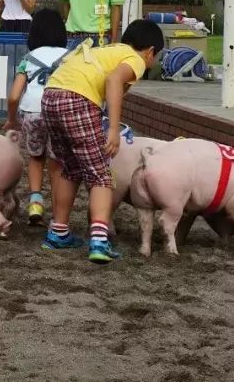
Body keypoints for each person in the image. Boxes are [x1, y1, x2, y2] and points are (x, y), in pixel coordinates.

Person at [37, 19, 163, 263]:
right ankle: (99, 240)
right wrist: (114, 129)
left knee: (70, 167)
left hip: (51, 95)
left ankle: (58, 232)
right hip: (77, 99)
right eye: (155, 58)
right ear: (150, 52)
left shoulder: (106, 50)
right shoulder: (134, 59)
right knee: (101, 175)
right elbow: (113, 81)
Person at [6, 8, 70, 226]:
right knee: (57, 161)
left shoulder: (28, 59)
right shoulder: (70, 57)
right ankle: (58, 209)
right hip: (59, 111)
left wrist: (12, 119)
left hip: (32, 110)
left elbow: (14, 96)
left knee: (35, 156)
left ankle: (35, 202)